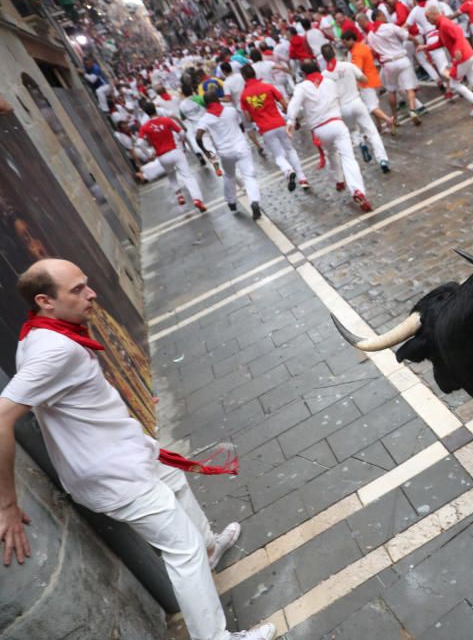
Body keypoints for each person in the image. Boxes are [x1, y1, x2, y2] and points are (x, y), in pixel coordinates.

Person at [0, 259, 274, 640]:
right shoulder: (52, 351)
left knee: (177, 483)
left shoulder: (35, 333)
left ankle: (211, 552)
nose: (91, 294)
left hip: (128, 449)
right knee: (183, 552)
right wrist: (8, 505)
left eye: (87, 284)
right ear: (45, 301)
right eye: (77, 290)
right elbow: (1, 420)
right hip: (114, 475)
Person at [286, 60, 373, 213]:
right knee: (348, 158)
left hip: (319, 130)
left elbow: (294, 105)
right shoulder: (330, 82)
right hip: (337, 124)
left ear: (303, 73)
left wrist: (291, 121)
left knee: (331, 153)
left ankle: (339, 180)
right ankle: (357, 190)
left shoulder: (302, 87)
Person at [318, 43, 392, 174]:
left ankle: (360, 144)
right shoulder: (347, 65)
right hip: (356, 101)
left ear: (323, 58)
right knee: (371, 131)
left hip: (341, 107)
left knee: (352, 130)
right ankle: (382, 159)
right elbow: (364, 79)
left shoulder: (323, 76)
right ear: (334, 53)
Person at [424, 5, 473, 118]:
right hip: (467, 54)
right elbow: (442, 42)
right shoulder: (442, 24)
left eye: (428, 17)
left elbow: (458, 35)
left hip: (463, 58)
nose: (427, 20)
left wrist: (457, 50)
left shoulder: (444, 24)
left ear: (434, 14)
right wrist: (426, 47)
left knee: (454, 83)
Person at [239, 64, 310, 192]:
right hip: (279, 123)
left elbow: (248, 118)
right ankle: (302, 178)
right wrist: (293, 119)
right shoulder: (268, 86)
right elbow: (284, 104)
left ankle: (288, 170)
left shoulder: (244, 96)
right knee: (290, 150)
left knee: (278, 156)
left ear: (244, 77)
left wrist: (258, 113)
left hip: (265, 129)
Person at [196, 90, 263, 220]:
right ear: (218, 99)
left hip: (225, 152)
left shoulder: (205, 119)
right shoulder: (231, 110)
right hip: (241, 147)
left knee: (229, 176)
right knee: (249, 175)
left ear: (205, 104)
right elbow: (241, 125)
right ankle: (254, 201)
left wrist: (206, 151)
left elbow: (198, 137)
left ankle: (231, 202)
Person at [136, 100, 207, 213]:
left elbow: (139, 143)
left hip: (162, 157)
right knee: (187, 176)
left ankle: (179, 195)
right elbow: (182, 132)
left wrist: (148, 154)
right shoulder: (166, 120)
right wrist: (181, 141)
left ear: (146, 112)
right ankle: (197, 200)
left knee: (171, 175)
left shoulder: (144, 127)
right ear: (155, 108)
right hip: (175, 151)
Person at [359, 10, 427, 126]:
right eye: (383, 16)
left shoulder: (370, 35)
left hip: (388, 64)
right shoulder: (389, 27)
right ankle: (412, 110)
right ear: (378, 17)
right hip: (401, 59)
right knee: (409, 88)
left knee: (392, 91)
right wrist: (415, 41)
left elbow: (373, 51)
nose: (385, 17)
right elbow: (407, 35)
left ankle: (394, 117)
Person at [342, 29, 396, 134]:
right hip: (372, 79)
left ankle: (388, 120)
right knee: (374, 104)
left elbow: (357, 70)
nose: (344, 45)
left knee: (372, 107)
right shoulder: (361, 47)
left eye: (345, 42)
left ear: (351, 40)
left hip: (366, 83)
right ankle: (380, 126)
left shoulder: (356, 52)